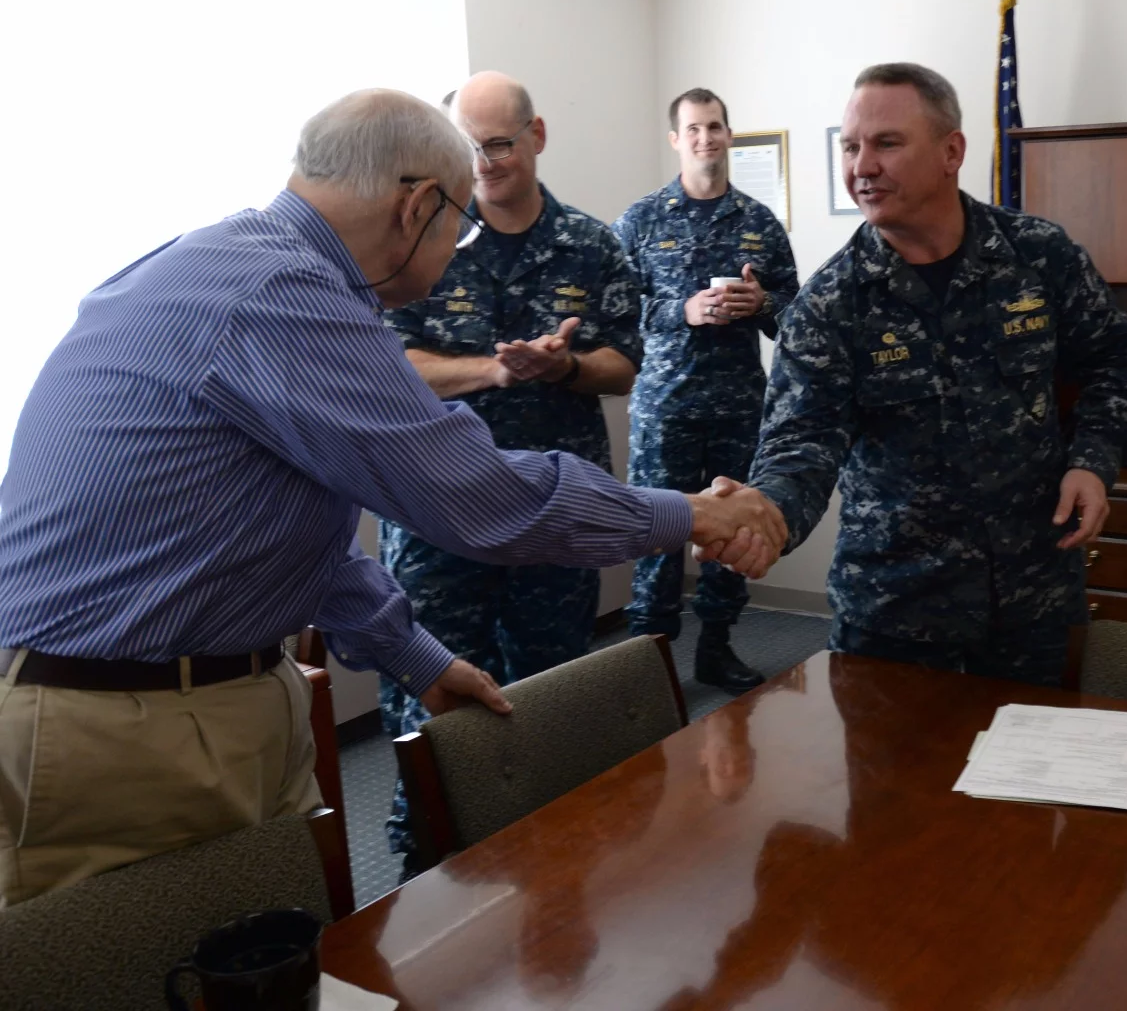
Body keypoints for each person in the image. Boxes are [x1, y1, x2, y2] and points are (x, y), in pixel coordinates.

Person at [0, 88, 785, 907]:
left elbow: (276, 529)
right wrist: (689, 513)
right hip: (122, 727)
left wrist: (417, 658)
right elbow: (479, 498)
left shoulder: (234, 263)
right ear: (418, 207)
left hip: (193, 703)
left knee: (277, 953)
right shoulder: (280, 294)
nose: (459, 245)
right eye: (459, 225)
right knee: (155, 970)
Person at [739, 63, 1127, 684]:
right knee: (891, 785)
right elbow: (801, 444)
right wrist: (764, 515)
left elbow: (1114, 359)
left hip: (1032, 600)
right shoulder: (830, 303)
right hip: (895, 614)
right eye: (850, 146)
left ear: (952, 151)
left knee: (1032, 777)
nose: (861, 166)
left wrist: (1093, 461)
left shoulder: (1039, 256)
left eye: (887, 143)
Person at [378, 72, 645, 870]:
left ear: (535, 135)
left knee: (546, 696)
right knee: (426, 708)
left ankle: (547, 873)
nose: (486, 162)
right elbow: (393, 365)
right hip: (439, 515)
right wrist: (493, 372)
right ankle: (419, 869)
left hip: (552, 512)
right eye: (469, 146)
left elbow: (623, 364)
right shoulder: (418, 234)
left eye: (499, 143)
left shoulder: (593, 243)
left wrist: (561, 369)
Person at [613, 88, 799, 695]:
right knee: (657, 535)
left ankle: (717, 649)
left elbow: (797, 318)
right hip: (664, 410)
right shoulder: (640, 221)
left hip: (738, 407)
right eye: (693, 129)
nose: (705, 139)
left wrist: (762, 302)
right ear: (676, 139)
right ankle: (651, 667)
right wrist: (680, 311)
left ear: (728, 134)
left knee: (731, 532)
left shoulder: (759, 223)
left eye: (714, 127)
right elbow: (611, 317)